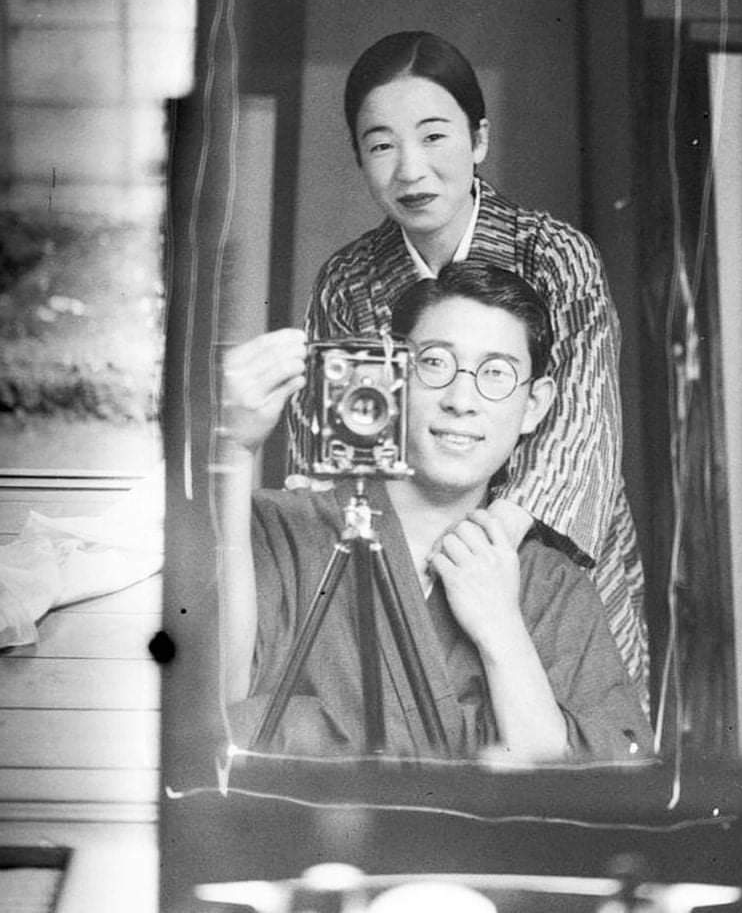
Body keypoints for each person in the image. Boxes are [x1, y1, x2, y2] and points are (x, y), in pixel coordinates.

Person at [295, 30, 650, 702]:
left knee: (574, 735)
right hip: (406, 569)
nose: (411, 169)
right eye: (381, 145)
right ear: (359, 157)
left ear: (478, 139)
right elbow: (344, 457)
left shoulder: (557, 255)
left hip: (543, 560)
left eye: (434, 136)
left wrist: (489, 547)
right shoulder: (347, 280)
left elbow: (584, 424)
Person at [218, 263, 653, 762]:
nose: (461, 401)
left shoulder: (552, 586)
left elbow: (603, 775)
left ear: (534, 405)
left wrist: (501, 630)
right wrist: (234, 450)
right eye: (434, 363)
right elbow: (215, 701)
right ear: (392, 376)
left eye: (496, 373)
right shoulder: (282, 529)